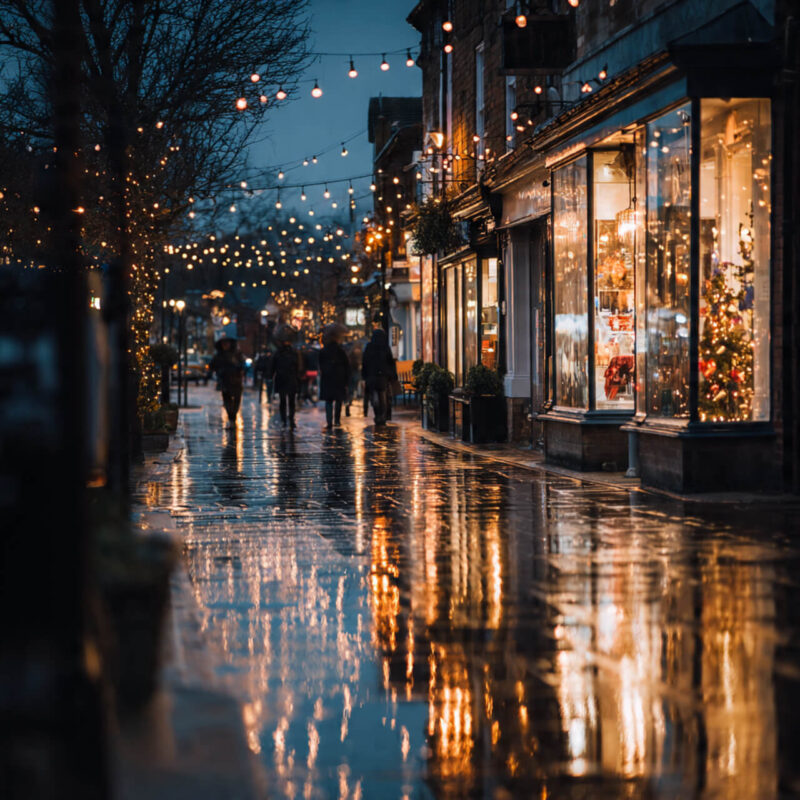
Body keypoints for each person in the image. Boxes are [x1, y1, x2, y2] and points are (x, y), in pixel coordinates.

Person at [361, 327, 396, 427]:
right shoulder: (385, 347)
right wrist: (392, 375)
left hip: (371, 376)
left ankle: (377, 415)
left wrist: (364, 375)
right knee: (383, 396)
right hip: (383, 376)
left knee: (374, 396)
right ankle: (382, 416)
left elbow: (365, 362)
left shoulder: (369, 347)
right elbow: (390, 362)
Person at [319, 326, 350, 429]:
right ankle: (337, 420)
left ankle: (329, 421)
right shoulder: (341, 351)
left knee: (329, 401)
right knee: (338, 400)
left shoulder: (323, 351)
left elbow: (320, 364)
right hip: (339, 379)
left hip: (328, 378)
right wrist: (346, 379)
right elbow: (347, 366)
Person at [210, 337, 245, 428]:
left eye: (227, 343)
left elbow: (243, 364)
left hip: (236, 381)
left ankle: (233, 418)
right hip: (225, 381)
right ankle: (231, 419)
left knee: (236, 401)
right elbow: (212, 365)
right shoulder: (219, 355)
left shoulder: (237, 354)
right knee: (227, 401)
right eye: (224, 344)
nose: (225, 345)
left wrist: (239, 368)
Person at [270, 332, 301, 429]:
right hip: (289, 378)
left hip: (283, 378)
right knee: (289, 401)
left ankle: (286, 420)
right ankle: (289, 420)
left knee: (284, 401)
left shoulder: (278, 353)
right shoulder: (293, 353)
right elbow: (298, 366)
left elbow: (272, 367)